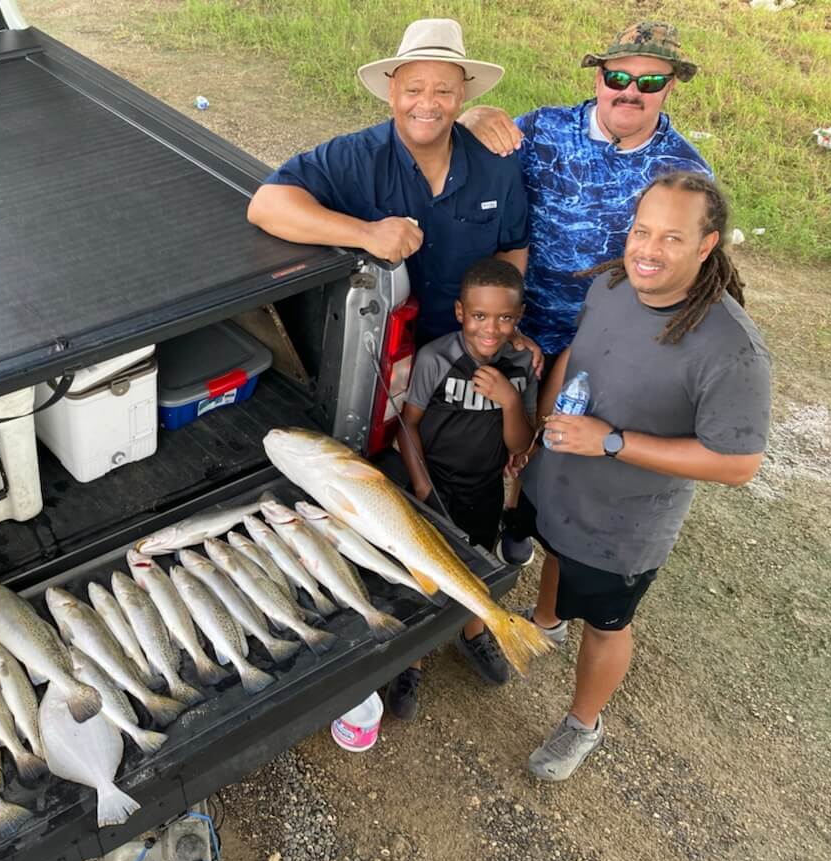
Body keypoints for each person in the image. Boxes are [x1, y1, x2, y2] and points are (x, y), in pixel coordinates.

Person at [508, 173, 770, 781]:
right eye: (641, 230)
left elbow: (737, 464)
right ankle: (545, 624)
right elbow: (579, 352)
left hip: (624, 524)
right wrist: (548, 416)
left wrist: (613, 442)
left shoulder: (732, 350)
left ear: (707, 245)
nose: (647, 250)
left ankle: (582, 725)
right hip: (561, 476)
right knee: (550, 548)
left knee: (607, 623)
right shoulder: (614, 282)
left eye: (672, 238)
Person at [458, 20, 711, 569]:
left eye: (650, 82)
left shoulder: (687, 172)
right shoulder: (545, 128)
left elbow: (688, 268)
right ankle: (482, 517)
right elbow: (472, 154)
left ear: (670, 88)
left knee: (563, 440)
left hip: (604, 337)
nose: (631, 91)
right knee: (492, 421)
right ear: (599, 77)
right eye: (619, 75)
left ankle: (526, 521)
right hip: (517, 316)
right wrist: (473, 118)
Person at [247, 17, 532, 349]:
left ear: (461, 96)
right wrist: (366, 233)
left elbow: (512, 246)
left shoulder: (497, 163)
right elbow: (267, 204)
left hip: (463, 350)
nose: (427, 104)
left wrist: (497, 325)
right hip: (375, 351)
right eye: (413, 90)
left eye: (443, 91)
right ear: (392, 92)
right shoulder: (357, 156)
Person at [387, 259, 537, 720]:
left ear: (519, 316)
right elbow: (406, 428)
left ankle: (472, 631)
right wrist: (422, 488)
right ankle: (411, 658)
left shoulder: (520, 365)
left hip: (485, 487)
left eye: (504, 318)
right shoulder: (437, 358)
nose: (490, 329)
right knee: (423, 574)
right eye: (479, 316)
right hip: (434, 488)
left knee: (477, 565)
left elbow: (521, 443)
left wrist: (510, 400)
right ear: (460, 312)